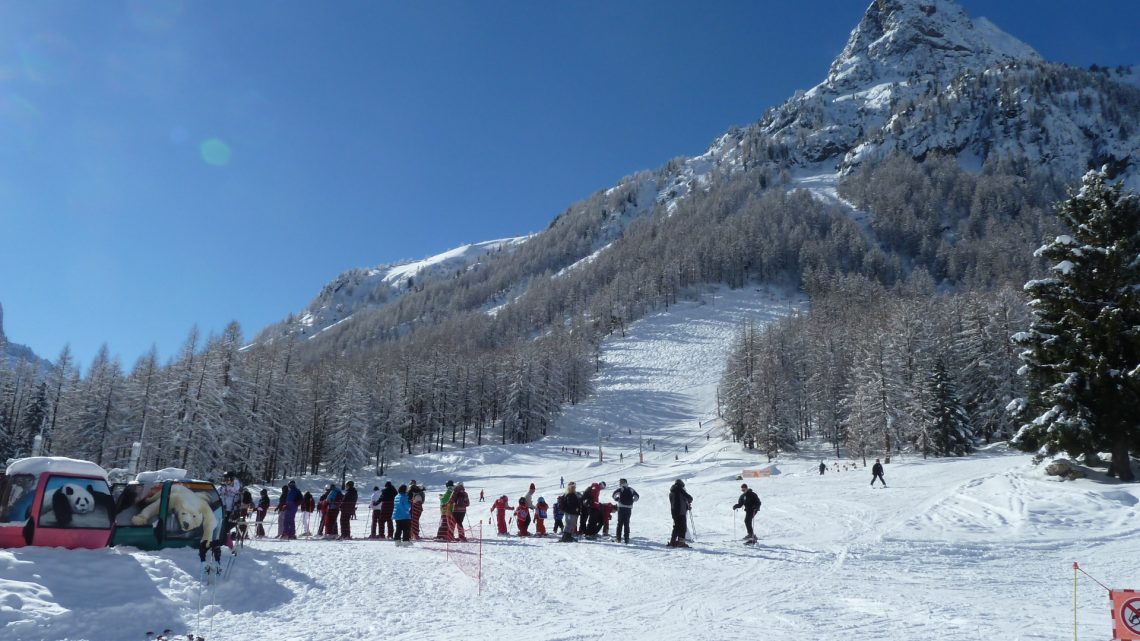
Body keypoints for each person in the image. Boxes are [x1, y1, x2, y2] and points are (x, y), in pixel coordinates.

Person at [611, 478, 639, 544]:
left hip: (621, 508)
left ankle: (618, 539)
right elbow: (637, 497)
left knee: (619, 523)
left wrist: (617, 499)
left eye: (620, 482)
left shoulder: (620, 489)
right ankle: (626, 539)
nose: (619, 483)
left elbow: (614, 495)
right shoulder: (631, 489)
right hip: (628, 508)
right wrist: (632, 501)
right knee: (626, 523)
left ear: (622, 482)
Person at [667, 479, 692, 548]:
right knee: (682, 527)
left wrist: (686, 507)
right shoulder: (679, 489)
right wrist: (689, 502)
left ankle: (673, 541)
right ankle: (681, 542)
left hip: (674, 512)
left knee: (676, 527)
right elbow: (689, 498)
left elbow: (678, 501)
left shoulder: (671, 492)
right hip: (681, 512)